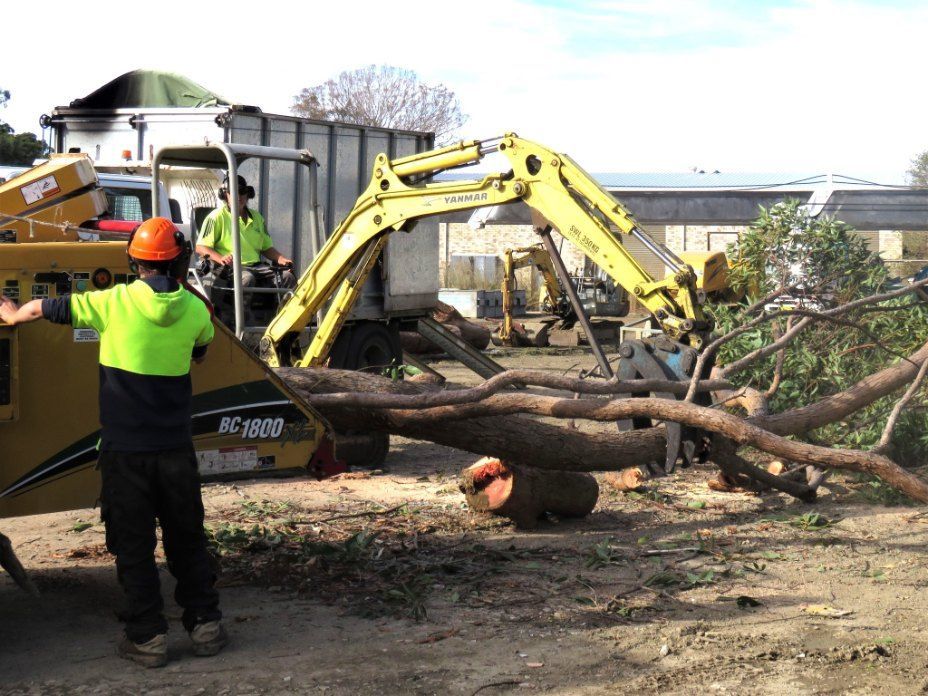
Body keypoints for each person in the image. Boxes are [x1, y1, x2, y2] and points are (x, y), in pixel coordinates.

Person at [0, 217, 226, 668]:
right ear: (181, 261)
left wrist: (10, 313)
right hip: (176, 450)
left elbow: (45, 309)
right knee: (187, 538)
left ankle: (147, 638)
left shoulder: (111, 302)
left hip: (126, 453)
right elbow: (202, 348)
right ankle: (205, 626)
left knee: (134, 544)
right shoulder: (198, 309)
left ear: (133, 261)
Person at [195, 173, 297, 309]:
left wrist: (281, 259)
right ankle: (238, 322)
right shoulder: (216, 217)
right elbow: (201, 247)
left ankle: (278, 321)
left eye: (242, 192)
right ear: (225, 195)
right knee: (247, 278)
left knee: (287, 278)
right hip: (229, 268)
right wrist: (221, 258)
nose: (238, 197)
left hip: (257, 267)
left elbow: (266, 247)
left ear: (248, 194)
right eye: (233, 192)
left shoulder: (257, 217)